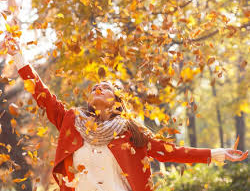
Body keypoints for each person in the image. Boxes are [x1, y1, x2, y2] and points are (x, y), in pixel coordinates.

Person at [4, 39, 248, 191]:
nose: (97, 88)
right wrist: (18, 58)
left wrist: (217, 154)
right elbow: (42, 94)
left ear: (117, 102)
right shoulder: (70, 119)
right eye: (93, 88)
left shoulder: (131, 132)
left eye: (106, 87)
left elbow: (171, 151)